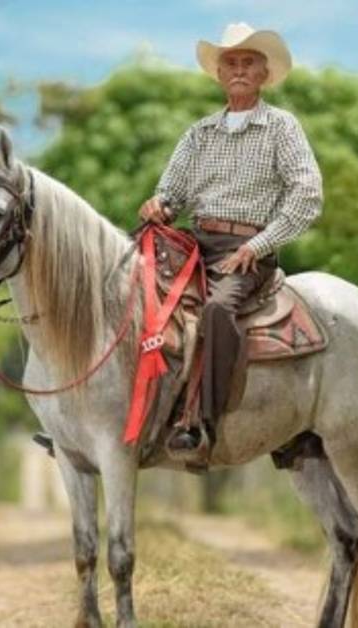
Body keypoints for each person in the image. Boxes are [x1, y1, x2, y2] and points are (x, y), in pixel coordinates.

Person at [139, 23, 323, 452]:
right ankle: (100, 417)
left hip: (248, 251)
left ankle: (199, 421)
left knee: (218, 311)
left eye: (248, 62)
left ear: (263, 73)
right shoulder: (198, 133)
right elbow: (172, 193)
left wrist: (258, 246)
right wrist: (159, 206)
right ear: (220, 74)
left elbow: (308, 195)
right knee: (127, 288)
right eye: (231, 63)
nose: (239, 70)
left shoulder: (282, 128)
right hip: (193, 245)